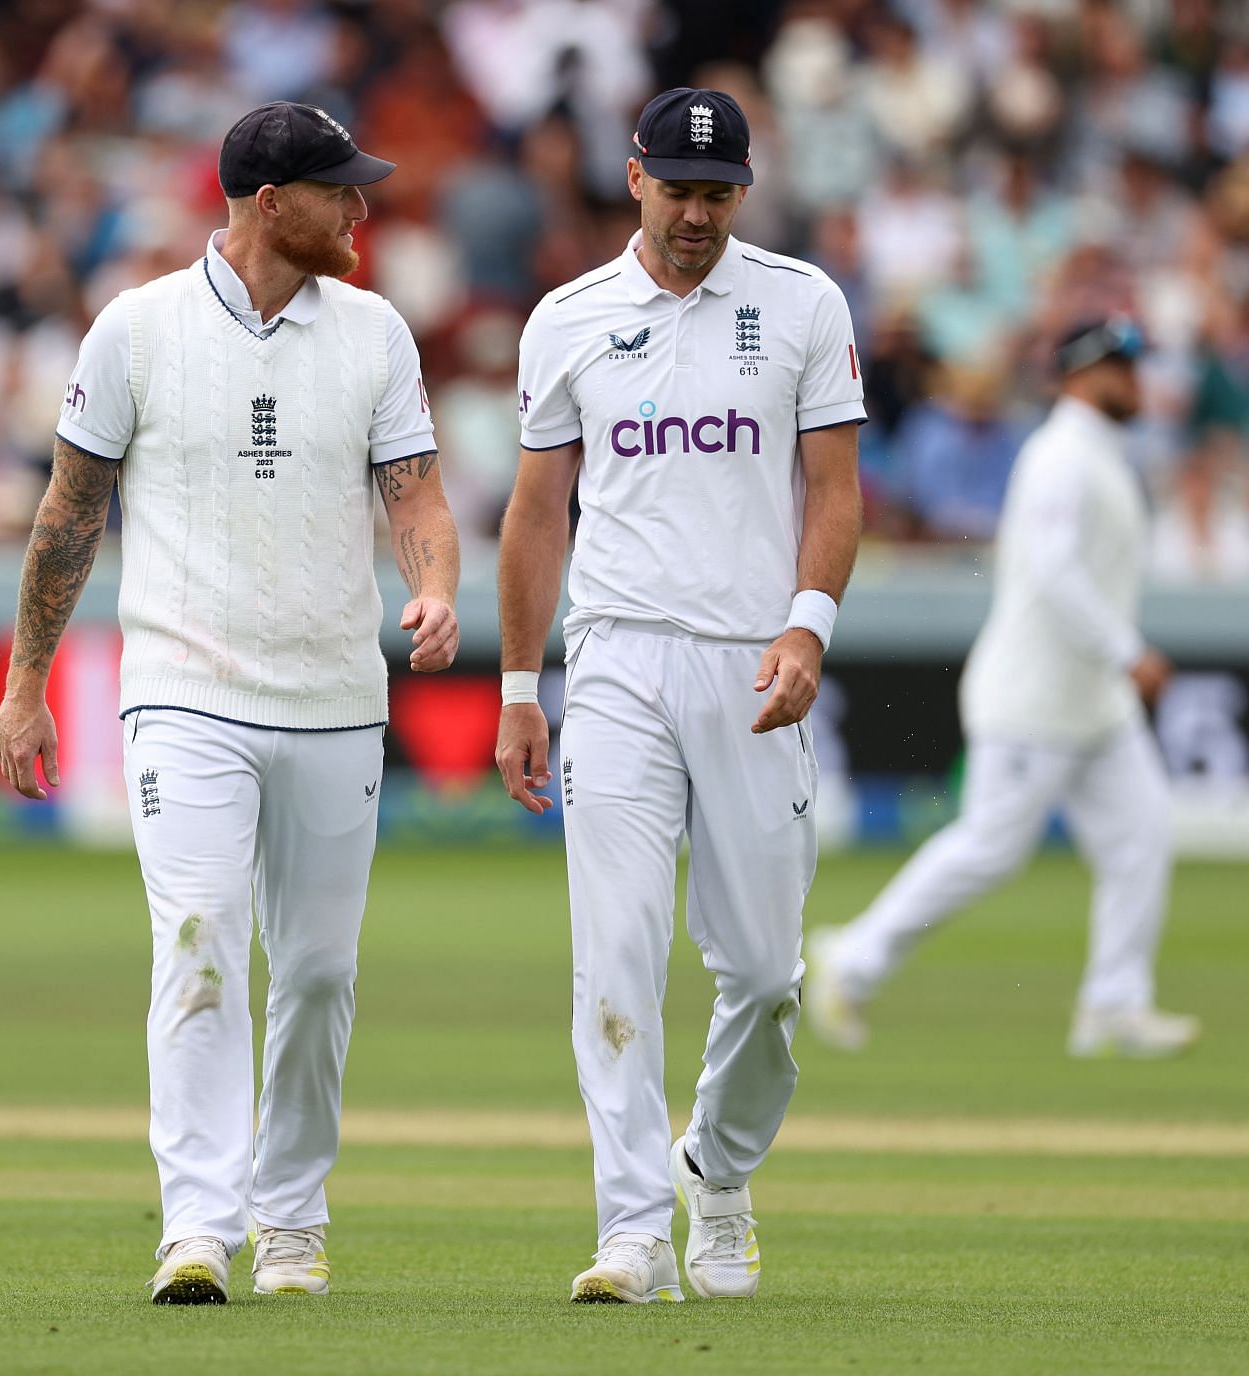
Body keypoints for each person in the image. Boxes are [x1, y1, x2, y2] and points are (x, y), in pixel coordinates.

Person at [0, 101, 460, 1306]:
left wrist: (435, 586)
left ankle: (292, 1216)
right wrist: (26, 685)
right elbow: (67, 515)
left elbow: (413, 491)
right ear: (268, 202)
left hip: (335, 698)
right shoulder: (135, 330)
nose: (361, 209)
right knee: (198, 942)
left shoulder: (377, 331)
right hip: (182, 692)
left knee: (314, 972)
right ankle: (198, 1225)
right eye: (339, 190)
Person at [495, 87, 866, 1305]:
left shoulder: (802, 301)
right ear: (634, 177)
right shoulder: (570, 318)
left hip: (753, 659)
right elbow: (539, 510)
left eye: (719, 193)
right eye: (678, 188)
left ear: (741, 192)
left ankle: (717, 1162)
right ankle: (629, 1228)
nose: (697, 214)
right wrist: (517, 683)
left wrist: (807, 629)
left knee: (764, 970)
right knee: (615, 952)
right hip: (614, 659)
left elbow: (834, 487)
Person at [808, 317, 1200, 1061]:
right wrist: (1127, 652)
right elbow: (1053, 572)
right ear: (1080, 375)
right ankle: (852, 959)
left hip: (1092, 705)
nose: (1135, 380)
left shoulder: (1101, 455)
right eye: (1121, 367)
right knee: (991, 847)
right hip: (1033, 696)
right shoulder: (1060, 457)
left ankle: (1113, 1007)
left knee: (1142, 834)